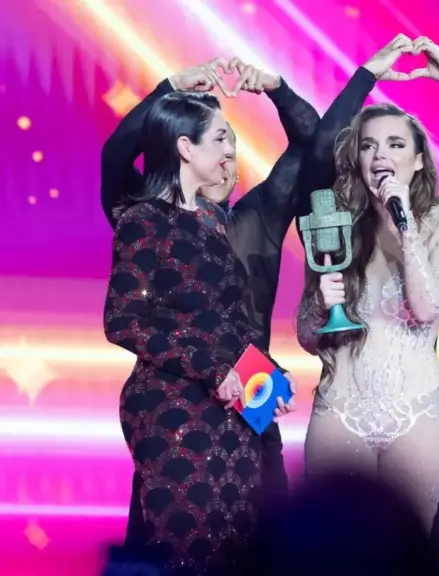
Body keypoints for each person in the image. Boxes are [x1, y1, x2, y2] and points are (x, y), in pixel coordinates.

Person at [293, 34, 439, 572]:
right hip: (340, 409)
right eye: (368, 144)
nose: (380, 154)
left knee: (403, 558)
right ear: (356, 157)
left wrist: (404, 223)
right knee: (330, 557)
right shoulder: (334, 225)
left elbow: (427, 305)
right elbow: (307, 335)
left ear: (417, 158)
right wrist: (321, 304)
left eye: (394, 144)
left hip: (416, 415)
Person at [99, 58, 309, 547]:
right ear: (184, 148)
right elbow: (115, 157)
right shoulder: (145, 216)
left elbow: (228, 324)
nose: (229, 155)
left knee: (258, 542)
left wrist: (269, 379)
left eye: (234, 146)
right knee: (174, 541)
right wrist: (169, 89)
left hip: (246, 397)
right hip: (176, 401)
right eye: (220, 141)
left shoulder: (239, 220)